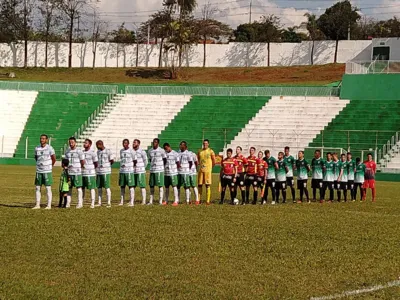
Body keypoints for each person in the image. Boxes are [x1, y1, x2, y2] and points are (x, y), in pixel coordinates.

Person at [33, 134, 56, 209]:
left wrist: (49, 166)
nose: (42, 140)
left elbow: (53, 159)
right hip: (39, 171)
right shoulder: (37, 148)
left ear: (46, 140)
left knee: (48, 188)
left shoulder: (50, 148)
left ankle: (49, 205)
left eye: (43, 139)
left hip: (47, 171)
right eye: (41, 138)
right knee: (37, 187)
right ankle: (37, 204)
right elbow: (36, 157)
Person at [64, 137, 85, 208]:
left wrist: (79, 168)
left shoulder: (79, 151)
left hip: (77, 173)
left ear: (75, 142)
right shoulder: (67, 151)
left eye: (72, 142)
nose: (71, 144)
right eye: (70, 142)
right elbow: (65, 162)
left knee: (79, 188)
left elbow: (82, 161)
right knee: (69, 188)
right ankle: (68, 203)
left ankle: (80, 203)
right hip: (70, 172)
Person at [96, 140, 114, 207]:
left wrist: (107, 166)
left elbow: (112, 160)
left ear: (101, 144)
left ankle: (109, 202)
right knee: (99, 187)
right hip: (99, 171)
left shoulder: (108, 151)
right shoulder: (97, 152)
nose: (97, 147)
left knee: (107, 187)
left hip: (106, 171)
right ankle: (99, 202)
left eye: (97, 145)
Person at [148, 138, 167, 205]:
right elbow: (150, 159)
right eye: (153, 142)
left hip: (159, 170)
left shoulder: (161, 150)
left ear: (158, 143)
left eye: (156, 142)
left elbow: (165, 160)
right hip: (152, 170)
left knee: (160, 186)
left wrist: (161, 166)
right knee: (151, 186)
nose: (154, 143)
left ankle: (160, 201)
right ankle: (150, 201)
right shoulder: (150, 151)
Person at [119, 139, 137, 207]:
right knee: (122, 186)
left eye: (126, 143)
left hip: (129, 171)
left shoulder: (132, 151)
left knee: (131, 186)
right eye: (123, 143)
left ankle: (132, 202)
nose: (124, 144)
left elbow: (135, 161)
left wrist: (131, 167)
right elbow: (122, 159)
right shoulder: (121, 151)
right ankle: (121, 201)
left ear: (128, 144)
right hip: (122, 171)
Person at [197, 139, 216, 205]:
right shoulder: (200, 151)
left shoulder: (211, 151)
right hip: (201, 170)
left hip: (207, 171)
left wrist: (210, 168)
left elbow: (214, 161)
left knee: (207, 185)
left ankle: (207, 201)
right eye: (204, 143)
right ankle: (198, 200)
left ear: (208, 144)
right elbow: (198, 160)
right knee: (199, 185)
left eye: (206, 143)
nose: (205, 144)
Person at [82, 139, 98, 208]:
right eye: (84, 143)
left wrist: (90, 168)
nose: (84, 144)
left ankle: (92, 203)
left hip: (90, 173)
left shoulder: (93, 153)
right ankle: (81, 202)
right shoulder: (81, 152)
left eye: (86, 143)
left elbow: (96, 163)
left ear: (90, 144)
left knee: (92, 188)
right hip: (82, 173)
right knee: (82, 188)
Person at [177, 141, 193, 206]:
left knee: (186, 186)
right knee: (177, 186)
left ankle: (188, 200)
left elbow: (191, 163)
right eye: (180, 145)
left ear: (185, 146)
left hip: (185, 172)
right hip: (179, 172)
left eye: (182, 145)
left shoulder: (188, 153)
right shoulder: (178, 152)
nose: (180, 146)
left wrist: (187, 169)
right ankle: (177, 200)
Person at [133, 139, 148, 205]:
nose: (133, 143)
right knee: (132, 186)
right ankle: (132, 200)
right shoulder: (131, 151)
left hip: (140, 171)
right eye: (133, 142)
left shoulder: (142, 151)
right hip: (133, 171)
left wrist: (142, 168)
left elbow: (146, 161)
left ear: (138, 144)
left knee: (142, 186)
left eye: (135, 142)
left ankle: (144, 200)